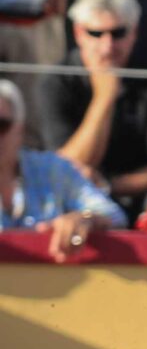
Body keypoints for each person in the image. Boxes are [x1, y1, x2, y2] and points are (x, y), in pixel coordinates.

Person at [35, 0, 147, 223]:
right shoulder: (55, 83)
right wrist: (104, 98)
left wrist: (110, 185)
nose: (107, 47)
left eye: (118, 33)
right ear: (78, 33)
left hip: (138, 199)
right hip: (73, 203)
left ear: (134, 32)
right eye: (95, 34)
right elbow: (65, 168)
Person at [0, 80, 124, 263]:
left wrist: (85, 219)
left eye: (1, 125)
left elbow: (114, 215)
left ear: (19, 130)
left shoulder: (52, 168)